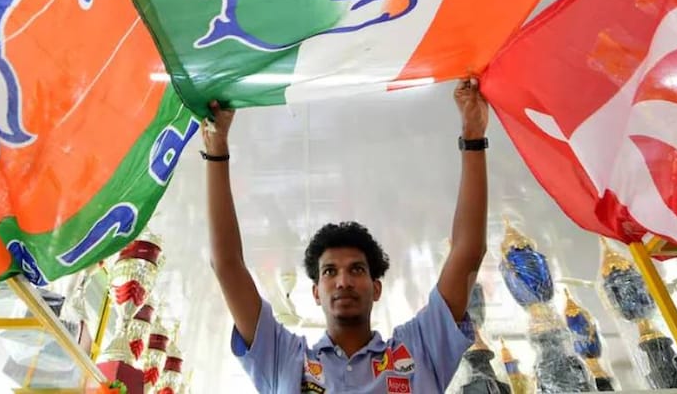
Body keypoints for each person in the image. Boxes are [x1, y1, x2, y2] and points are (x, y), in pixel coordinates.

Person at [203, 78, 491, 393]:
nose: (343, 281)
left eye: (357, 269)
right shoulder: (284, 359)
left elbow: (468, 252)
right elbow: (227, 265)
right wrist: (216, 152)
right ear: (315, 292)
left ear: (377, 288)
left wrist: (473, 137)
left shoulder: (420, 350)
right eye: (330, 271)